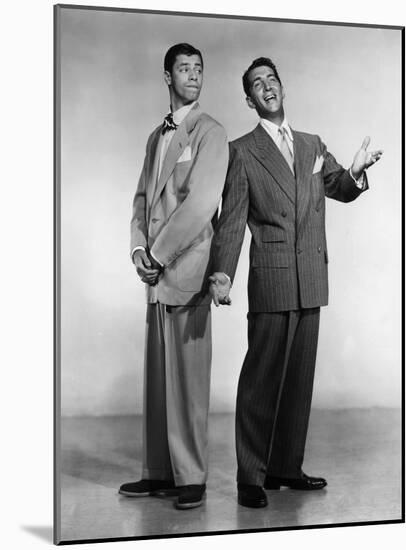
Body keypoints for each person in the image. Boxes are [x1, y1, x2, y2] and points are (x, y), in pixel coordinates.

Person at [209, 57, 382, 508]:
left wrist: (357, 171)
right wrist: (222, 273)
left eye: (272, 79)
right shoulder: (241, 151)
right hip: (272, 280)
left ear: (282, 88)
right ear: (249, 99)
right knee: (261, 380)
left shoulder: (312, 144)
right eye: (257, 84)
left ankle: (285, 467)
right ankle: (251, 475)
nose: (267, 87)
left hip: (312, 280)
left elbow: (339, 188)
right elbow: (231, 221)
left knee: (298, 381)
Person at [119, 43, 228, 510]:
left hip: (186, 268)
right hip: (156, 273)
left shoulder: (211, 132)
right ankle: (159, 472)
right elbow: (141, 198)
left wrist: (159, 253)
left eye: (198, 68)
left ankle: (192, 477)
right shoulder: (154, 137)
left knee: (188, 381)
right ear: (167, 76)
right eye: (184, 68)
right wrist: (139, 248)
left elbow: (202, 204)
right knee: (158, 380)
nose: (193, 75)